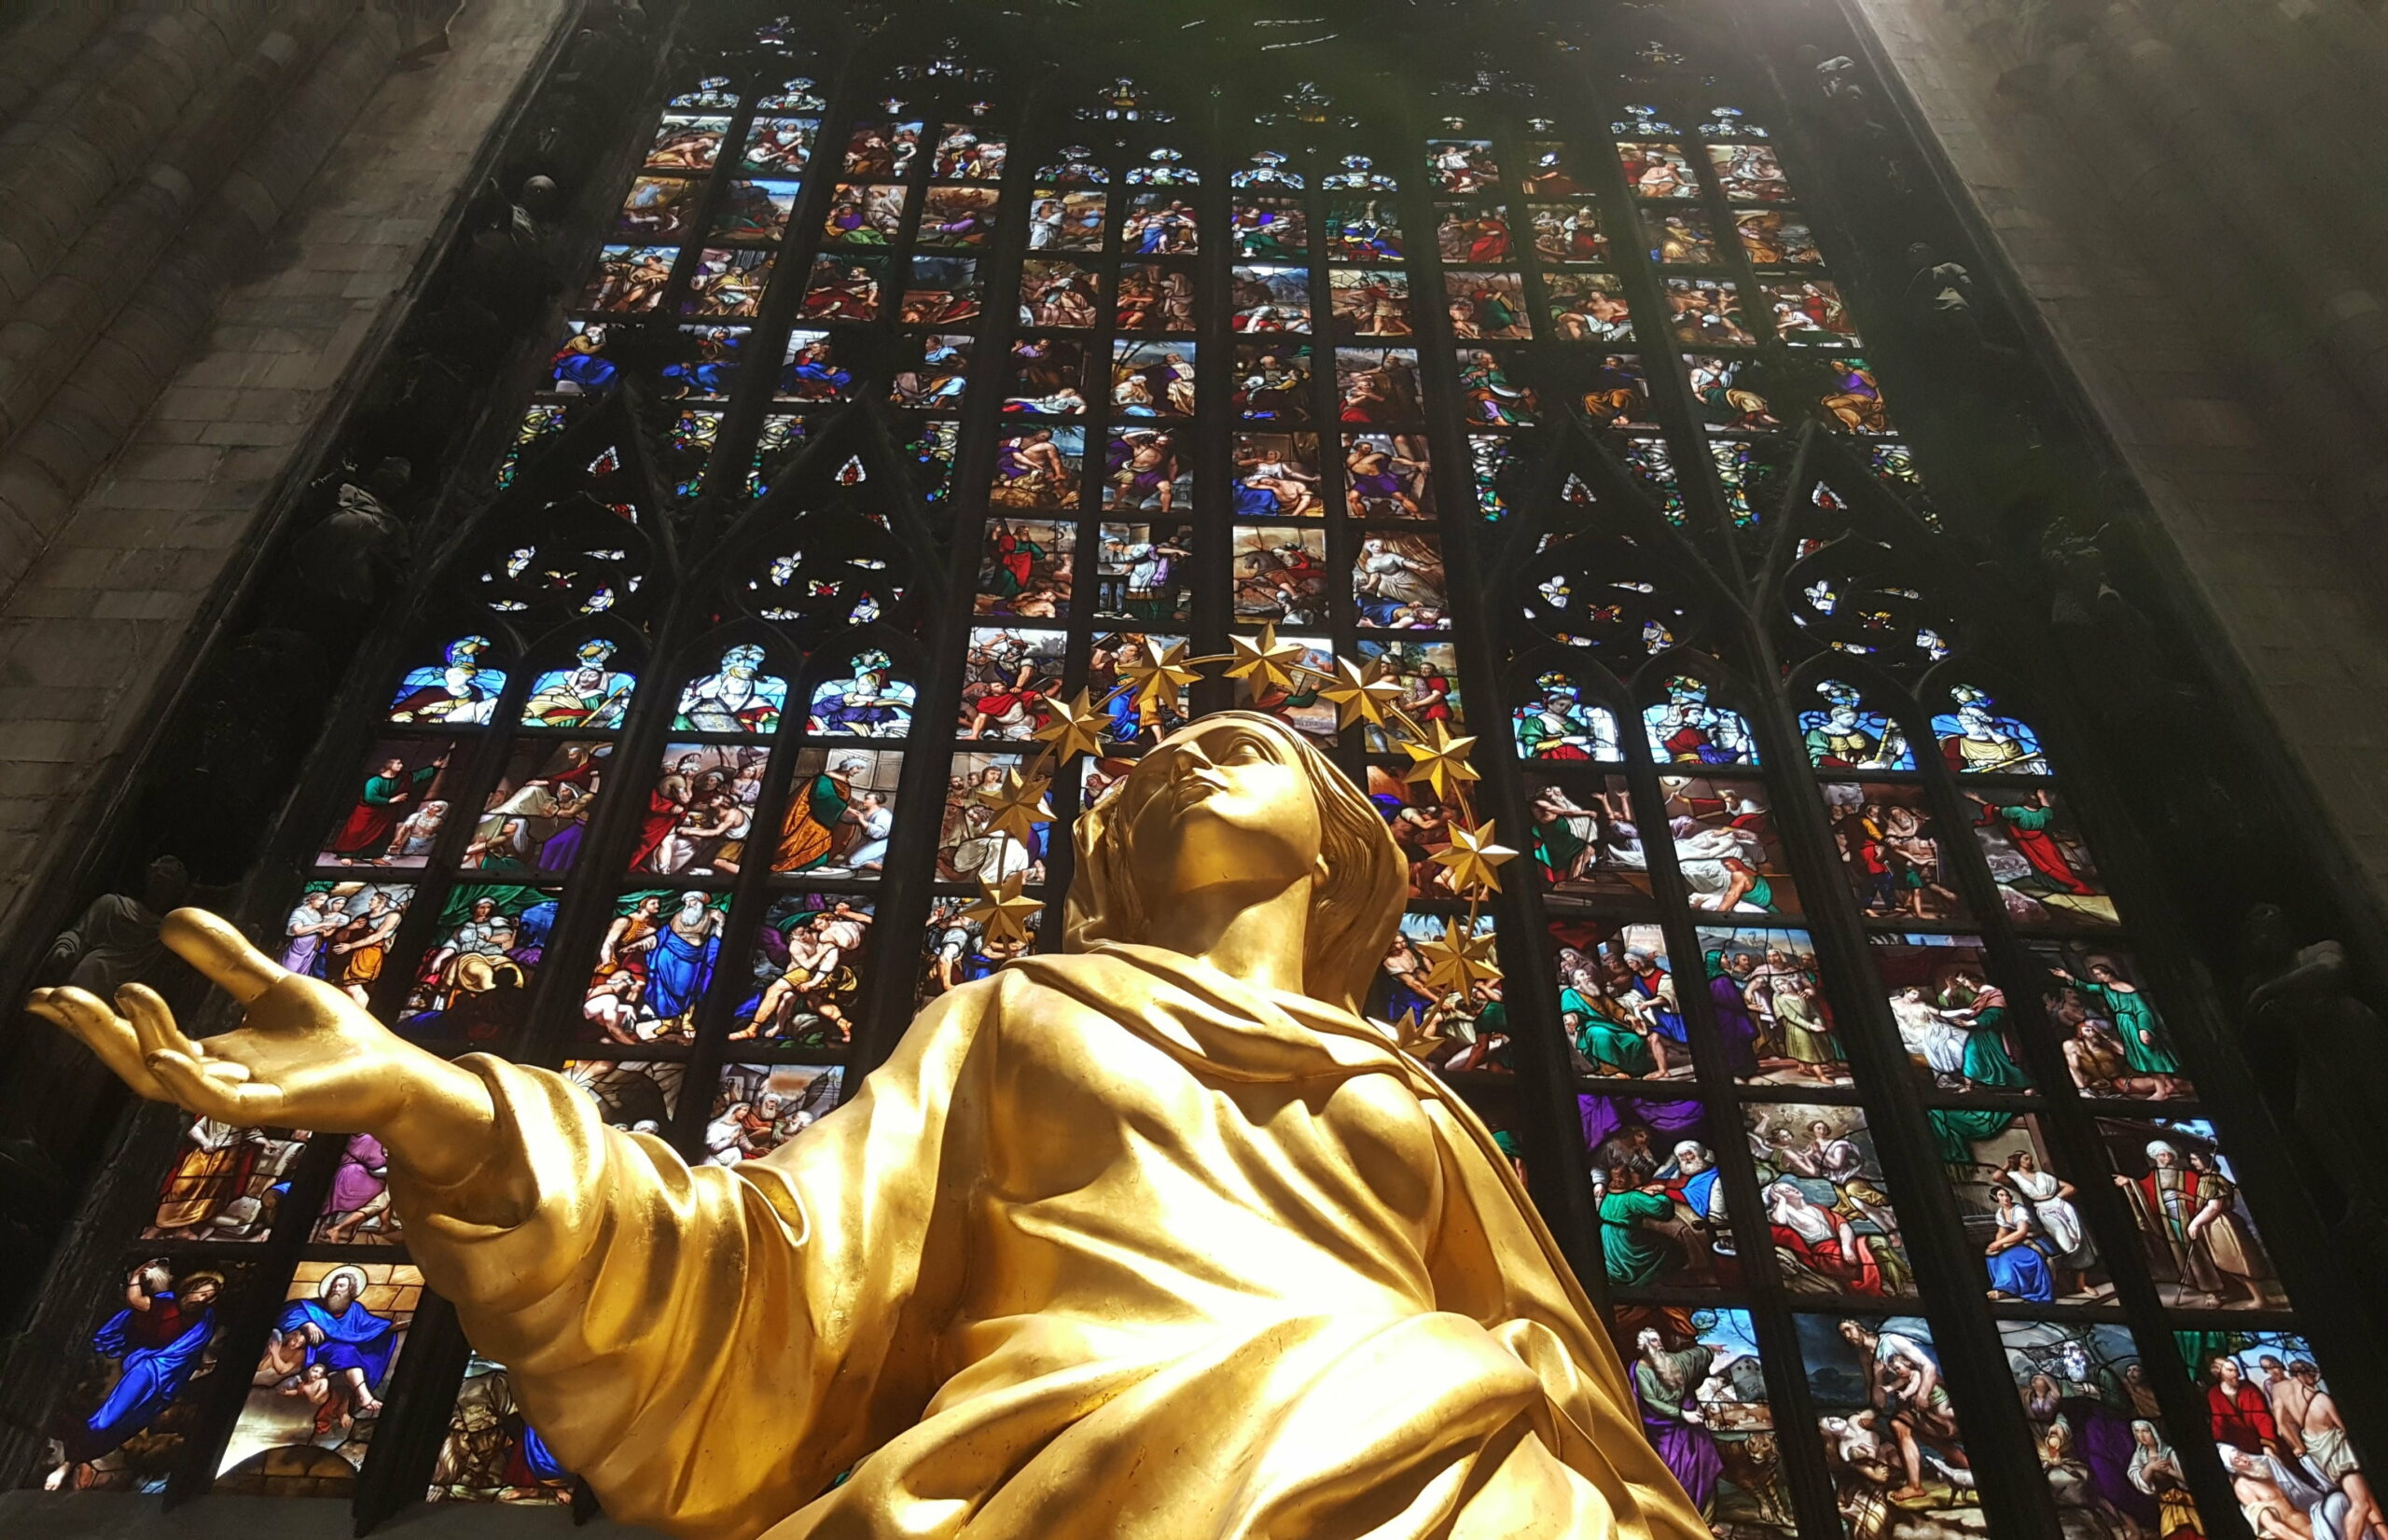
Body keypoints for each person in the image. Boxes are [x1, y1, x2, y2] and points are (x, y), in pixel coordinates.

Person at [31, 715, 1708, 1540]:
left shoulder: (1414, 1092)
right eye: (1156, 769)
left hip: (1456, 1475)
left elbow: (1568, 1372)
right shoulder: (1020, 1014)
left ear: (1339, 844)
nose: (1182, 768)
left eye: (1238, 750)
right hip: (1072, 1485)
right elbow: (770, 1273)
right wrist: (441, 1103)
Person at [47, 1262, 225, 1485]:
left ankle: (75, 1458)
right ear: (191, 1288)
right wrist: (135, 1278)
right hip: (147, 1368)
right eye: (201, 1293)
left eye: (209, 1296)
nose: (203, 1299)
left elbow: (191, 1352)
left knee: (130, 1422)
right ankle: (70, 1461)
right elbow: (136, 1301)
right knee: (108, 1418)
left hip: (167, 1379)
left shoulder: (205, 1320)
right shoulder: (166, 1303)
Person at [1631, 1327, 1724, 1519]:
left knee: (1704, 1459)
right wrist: (1682, 1414)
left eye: (1658, 1340)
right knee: (1673, 1469)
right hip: (1661, 1427)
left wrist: (1708, 1349)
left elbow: (1690, 1357)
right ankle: (1679, 1518)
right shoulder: (1641, 1371)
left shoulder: (1669, 1361)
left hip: (1685, 1421)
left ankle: (1705, 1519)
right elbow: (1651, 1401)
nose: (1659, 1344)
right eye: (1654, 1341)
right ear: (1644, 1346)